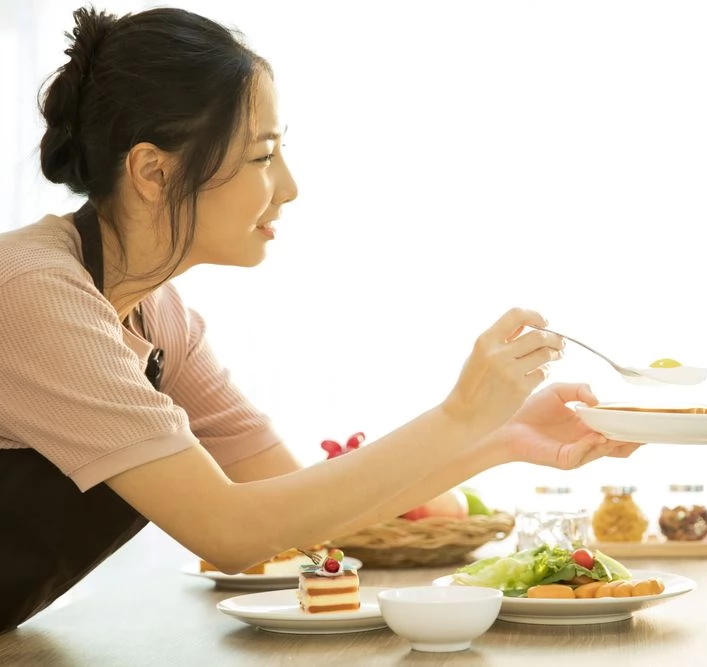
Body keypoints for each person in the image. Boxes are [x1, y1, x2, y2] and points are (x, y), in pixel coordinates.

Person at [0, 6, 639, 633]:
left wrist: (499, 436)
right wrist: (460, 415)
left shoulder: (158, 316)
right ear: (153, 170)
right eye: (262, 156)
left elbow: (300, 505)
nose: (289, 186)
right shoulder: (34, 294)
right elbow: (229, 531)